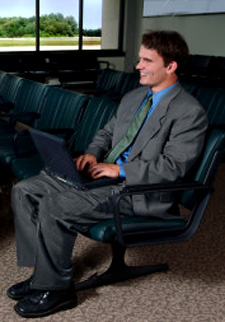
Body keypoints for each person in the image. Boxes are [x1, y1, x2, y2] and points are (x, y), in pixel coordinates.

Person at [7, 30, 208, 318]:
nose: (137, 65)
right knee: (25, 190)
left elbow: (173, 168)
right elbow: (106, 132)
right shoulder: (134, 96)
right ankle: (42, 273)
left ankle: (58, 291)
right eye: (140, 59)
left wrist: (120, 169)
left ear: (171, 66)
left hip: (138, 189)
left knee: (54, 205)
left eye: (147, 60)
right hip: (103, 174)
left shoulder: (189, 112)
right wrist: (92, 153)